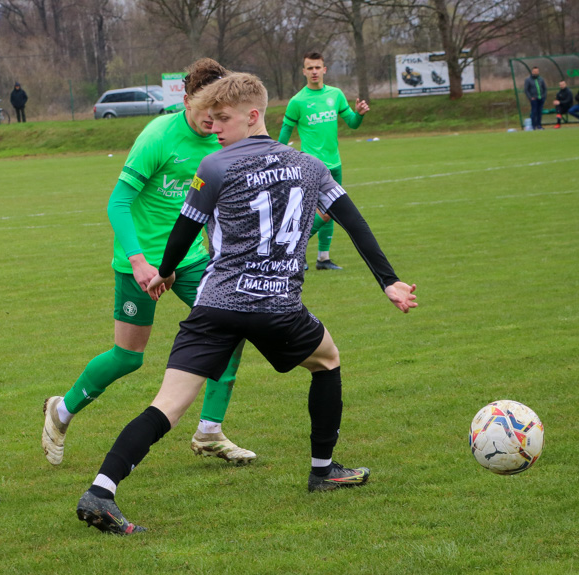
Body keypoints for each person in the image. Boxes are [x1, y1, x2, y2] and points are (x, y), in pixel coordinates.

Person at [74, 72, 418, 535]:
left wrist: (166, 270)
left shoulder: (214, 168)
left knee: (168, 405)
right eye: (210, 118)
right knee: (328, 361)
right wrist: (389, 282)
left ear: (253, 116)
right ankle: (323, 470)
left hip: (216, 305)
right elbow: (354, 222)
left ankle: (102, 490)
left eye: (223, 118)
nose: (214, 127)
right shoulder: (310, 166)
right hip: (279, 306)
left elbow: (182, 231)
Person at [42, 58, 256, 468]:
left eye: (220, 110)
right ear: (188, 98)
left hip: (191, 259)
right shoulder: (158, 136)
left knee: (229, 331)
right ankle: (61, 411)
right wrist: (140, 263)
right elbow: (118, 202)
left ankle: (209, 432)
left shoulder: (221, 138)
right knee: (129, 357)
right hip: (139, 263)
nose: (214, 120)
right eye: (207, 109)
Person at [278, 51, 370, 271]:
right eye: (310, 68)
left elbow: (353, 123)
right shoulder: (297, 101)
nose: (314, 72)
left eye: (318, 67)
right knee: (315, 213)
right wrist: (276, 157)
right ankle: (293, 252)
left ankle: (323, 258)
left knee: (332, 212)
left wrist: (359, 114)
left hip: (334, 165)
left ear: (325, 69)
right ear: (304, 72)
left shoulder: (336, 95)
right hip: (310, 167)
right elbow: (284, 133)